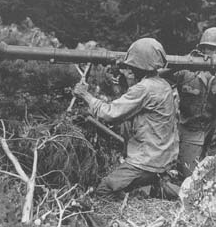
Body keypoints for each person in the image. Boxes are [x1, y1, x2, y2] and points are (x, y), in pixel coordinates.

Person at [73, 38, 179, 200]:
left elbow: (110, 114)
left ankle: (140, 197)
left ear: (139, 65)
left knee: (104, 190)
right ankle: (155, 187)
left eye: (131, 65)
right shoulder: (162, 84)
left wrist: (85, 95)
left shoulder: (144, 88)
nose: (129, 68)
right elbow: (132, 102)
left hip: (146, 161)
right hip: (161, 158)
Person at [167, 27, 216, 178]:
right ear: (201, 50)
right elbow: (160, 79)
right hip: (188, 131)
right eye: (210, 48)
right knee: (192, 178)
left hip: (210, 127)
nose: (215, 54)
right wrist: (185, 64)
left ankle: (212, 154)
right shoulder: (187, 69)